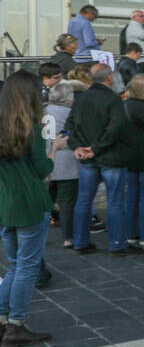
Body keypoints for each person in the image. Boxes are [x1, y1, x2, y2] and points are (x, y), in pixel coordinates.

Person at [0, 71, 58, 347]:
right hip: (31, 204)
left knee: (14, 265)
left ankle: (2, 320)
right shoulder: (31, 130)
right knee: (27, 267)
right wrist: (54, 149)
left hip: (5, 203)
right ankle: (16, 326)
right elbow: (41, 170)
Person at [68, 63, 135, 256]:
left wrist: (78, 147)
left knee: (83, 201)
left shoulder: (81, 98)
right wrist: (95, 148)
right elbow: (115, 128)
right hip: (110, 156)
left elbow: (71, 124)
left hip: (89, 157)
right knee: (115, 202)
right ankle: (117, 243)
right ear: (109, 78)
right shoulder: (112, 99)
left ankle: (80, 241)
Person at [121, 74, 144, 247]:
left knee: (132, 196)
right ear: (143, 88)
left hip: (129, 155)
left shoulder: (126, 105)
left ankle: (131, 233)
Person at [44, 80, 82, 250]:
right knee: (67, 203)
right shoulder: (70, 113)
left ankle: (40, 234)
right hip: (67, 163)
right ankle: (68, 237)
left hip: (46, 160)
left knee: (45, 202)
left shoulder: (42, 111)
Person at [123, 10, 144, 76]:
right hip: (143, 60)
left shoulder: (139, 26)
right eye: (141, 16)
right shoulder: (134, 26)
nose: (143, 18)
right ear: (133, 17)